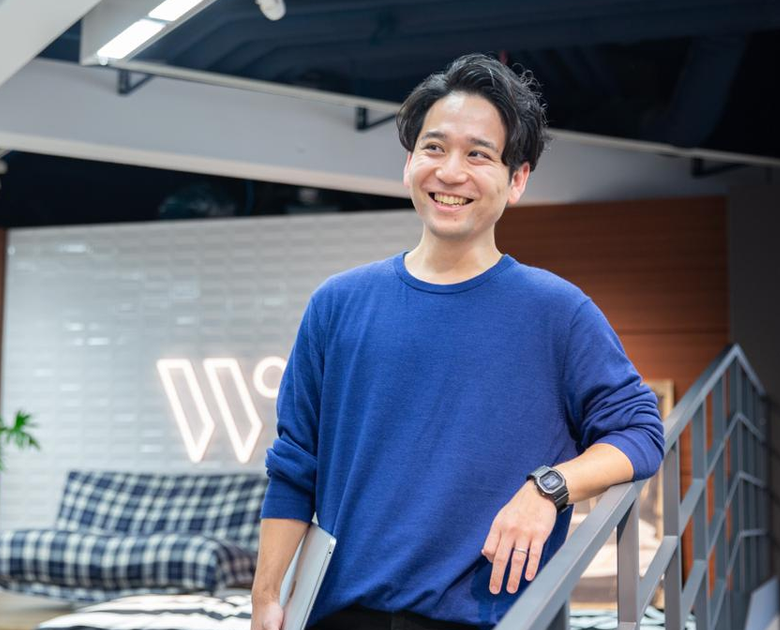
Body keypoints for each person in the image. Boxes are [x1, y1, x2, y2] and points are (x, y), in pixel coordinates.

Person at [249, 53, 666, 630]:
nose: (450, 172)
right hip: (342, 615)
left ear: (517, 179)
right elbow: (296, 464)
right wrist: (267, 595)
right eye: (434, 147)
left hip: (489, 618)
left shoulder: (557, 312)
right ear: (409, 164)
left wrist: (548, 489)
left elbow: (640, 431)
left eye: (478, 154)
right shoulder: (337, 304)